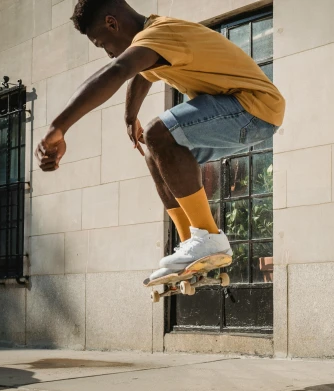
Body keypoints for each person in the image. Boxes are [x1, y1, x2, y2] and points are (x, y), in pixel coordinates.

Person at [35, 0, 285, 283]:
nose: (108, 53)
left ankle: (209, 237)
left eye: (102, 44)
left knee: (158, 132)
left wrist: (58, 128)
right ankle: (193, 246)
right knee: (153, 153)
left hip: (253, 108)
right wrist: (130, 116)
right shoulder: (155, 39)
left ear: (111, 23)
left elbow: (118, 71)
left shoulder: (159, 34)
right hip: (245, 114)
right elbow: (142, 77)